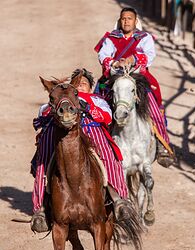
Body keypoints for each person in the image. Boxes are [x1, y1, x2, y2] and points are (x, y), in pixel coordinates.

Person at [31, 68, 129, 233]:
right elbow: (42, 113)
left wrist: (88, 106)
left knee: (108, 154)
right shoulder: (65, 97)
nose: (81, 87)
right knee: (44, 158)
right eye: (78, 84)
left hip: (91, 131)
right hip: (61, 132)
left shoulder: (97, 100)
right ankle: (39, 208)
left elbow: (107, 116)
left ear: (91, 88)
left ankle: (120, 199)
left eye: (85, 84)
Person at [94, 7, 175, 167]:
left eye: (129, 18)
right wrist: (115, 62)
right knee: (99, 102)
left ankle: (162, 144)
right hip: (115, 75)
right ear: (120, 20)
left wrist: (133, 59)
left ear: (135, 20)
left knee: (152, 101)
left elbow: (150, 55)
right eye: (123, 18)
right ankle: (98, 141)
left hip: (138, 77)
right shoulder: (111, 38)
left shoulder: (144, 38)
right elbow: (103, 55)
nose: (126, 21)